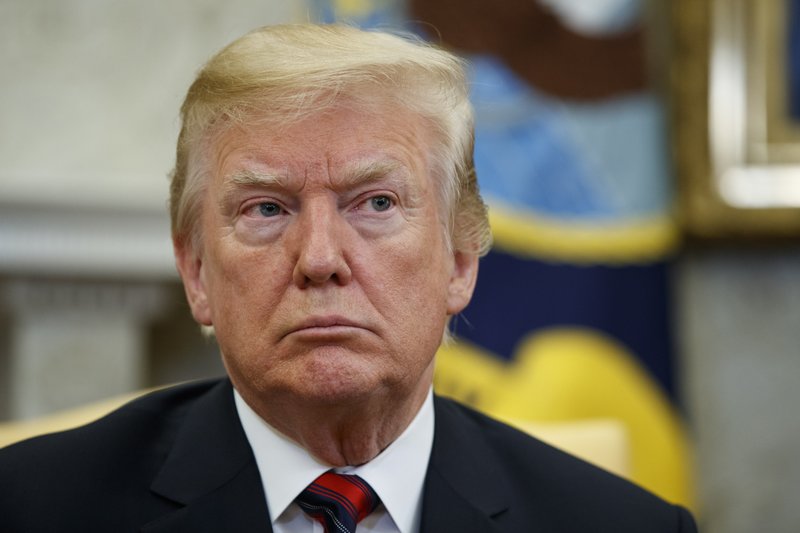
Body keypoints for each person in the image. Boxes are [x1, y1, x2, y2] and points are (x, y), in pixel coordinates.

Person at [0, 24, 697, 532]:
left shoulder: (620, 524)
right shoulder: (31, 507)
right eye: (266, 208)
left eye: (377, 203)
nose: (320, 258)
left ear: (459, 259)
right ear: (197, 270)